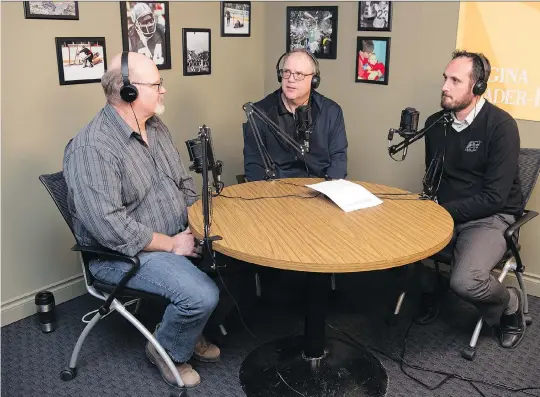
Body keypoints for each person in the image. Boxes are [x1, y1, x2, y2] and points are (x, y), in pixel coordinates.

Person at [63, 51, 220, 388]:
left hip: (174, 235)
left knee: (230, 254)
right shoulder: (93, 147)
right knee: (201, 295)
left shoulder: (156, 127)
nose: (163, 90)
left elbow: (183, 183)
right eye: (157, 84)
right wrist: (173, 244)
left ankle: (186, 332)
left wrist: (196, 226)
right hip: (121, 254)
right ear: (129, 91)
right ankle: (165, 350)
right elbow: (111, 228)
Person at [417, 50, 526, 348]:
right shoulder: (435, 124)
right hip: (446, 212)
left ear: (477, 87)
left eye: (455, 80)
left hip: (490, 217)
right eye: (445, 78)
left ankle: (509, 303)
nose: (444, 86)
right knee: (398, 245)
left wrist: (443, 212)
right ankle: (428, 290)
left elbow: (493, 197)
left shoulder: (501, 127)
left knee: (465, 281)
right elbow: (434, 179)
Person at [243, 49, 348, 181]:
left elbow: (339, 160)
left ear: (314, 80)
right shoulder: (259, 112)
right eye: (286, 72)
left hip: (320, 190)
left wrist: (329, 190)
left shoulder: (331, 111)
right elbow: (254, 166)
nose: (291, 79)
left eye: (299, 74)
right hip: (276, 192)